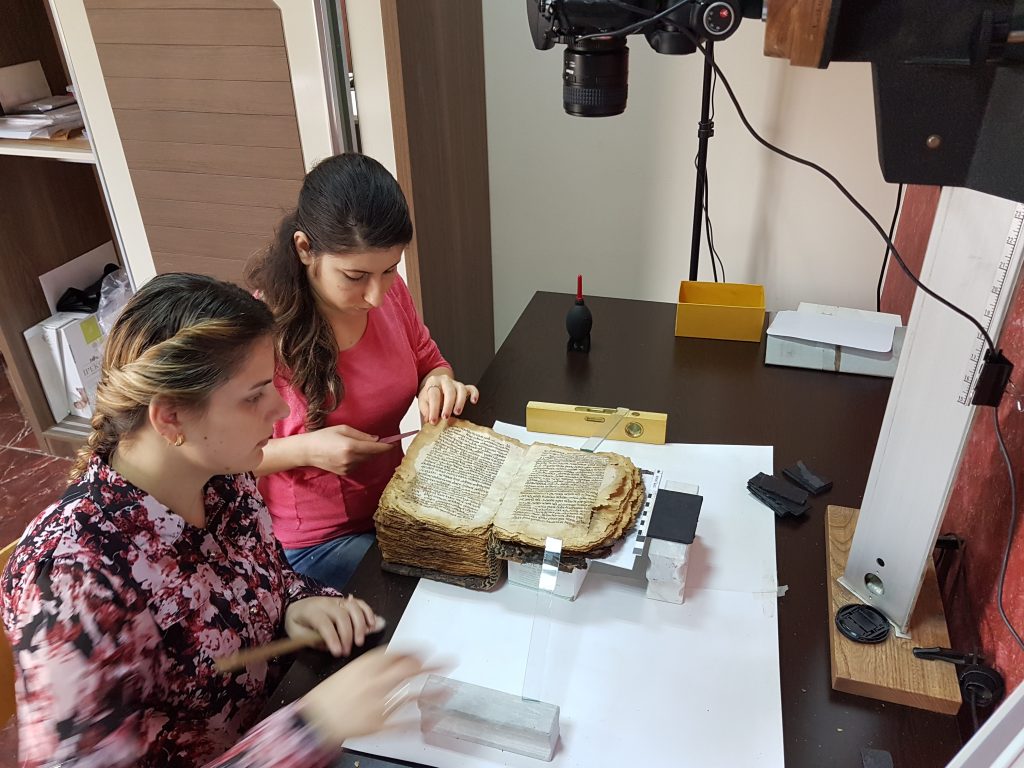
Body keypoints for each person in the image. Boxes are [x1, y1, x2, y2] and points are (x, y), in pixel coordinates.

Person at [0, 274, 430, 768]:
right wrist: (311, 729)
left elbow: (265, 578)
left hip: (282, 713)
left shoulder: (223, 476)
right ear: (170, 418)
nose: (279, 409)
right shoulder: (71, 585)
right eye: (254, 395)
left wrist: (296, 603)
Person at [247, 153, 479, 590]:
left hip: (395, 505)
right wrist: (306, 450)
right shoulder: (260, 332)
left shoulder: (390, 293)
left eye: (389, 270)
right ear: (304, 249)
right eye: (355, 276)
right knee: (432, 594)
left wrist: (439, 384)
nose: (375, 295)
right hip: (318, 540)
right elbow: (223, 457)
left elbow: (429, 360)